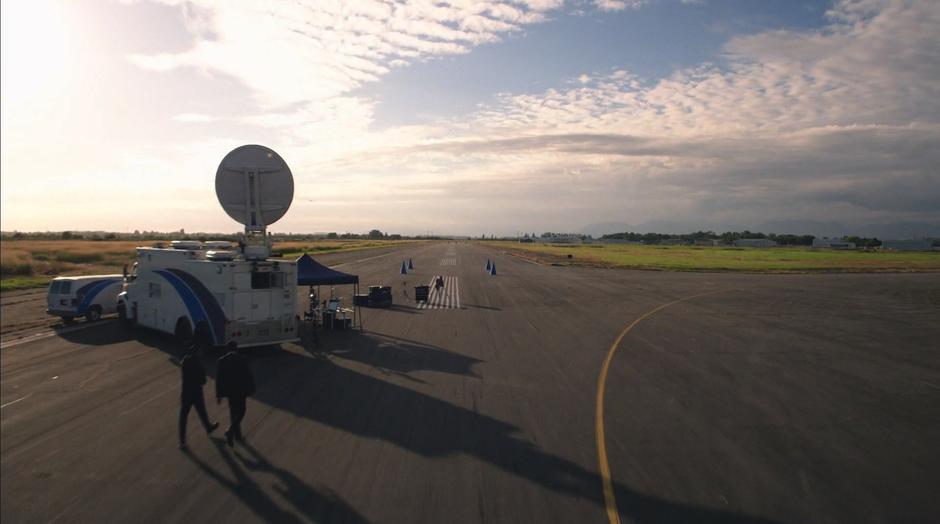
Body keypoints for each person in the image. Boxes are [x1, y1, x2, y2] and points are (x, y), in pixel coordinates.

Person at [178, 345, 219, 450]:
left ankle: (182, 440)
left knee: (183, 416)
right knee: (201, 411)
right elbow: (203, 379)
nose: (201, 353)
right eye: (200, 351)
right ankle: (208, 427)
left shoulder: (184, 361)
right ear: (196, 352)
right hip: (196, 392)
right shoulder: (197, 363)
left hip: (186, 392)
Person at [216, 341, 255, 447]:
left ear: (227, 349)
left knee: (233, 412)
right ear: (236, 348)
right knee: (242, 410)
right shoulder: (242, 359)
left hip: (229, 391)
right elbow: (248, 375)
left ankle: (235, 435)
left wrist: (219, 395)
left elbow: (219, 379)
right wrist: (252, 388)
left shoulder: (222, 361)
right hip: (241, 390)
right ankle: (232, 431)